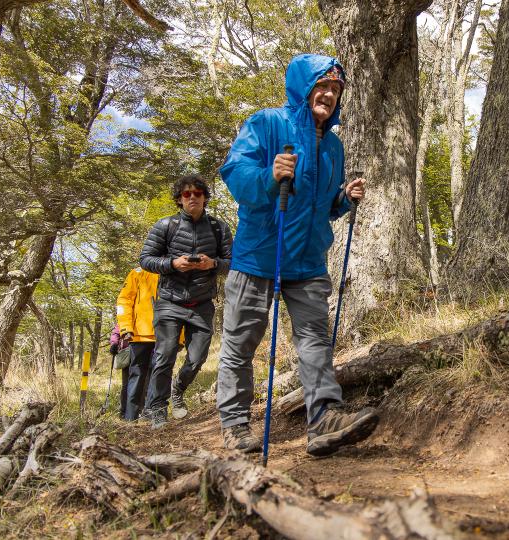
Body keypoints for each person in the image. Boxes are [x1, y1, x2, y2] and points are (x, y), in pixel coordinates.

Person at [217, 53, 377, 456]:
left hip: (307, 260)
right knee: (241, 342)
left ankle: (323, 418)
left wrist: (344, 198)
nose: (328, 95)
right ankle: (236, 425)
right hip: (258, 256)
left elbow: (321, 206)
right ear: (303, 89)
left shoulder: (334, 146)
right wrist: (269, 176)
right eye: (321, 87)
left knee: (315, 342)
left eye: (335, 90)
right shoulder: (266, 124)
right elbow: (237, 177)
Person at [139, 174, 233, 428]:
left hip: (202, 304)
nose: (192, 198)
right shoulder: (164, 226)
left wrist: (212, 263)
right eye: (187, 194)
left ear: (205, 197)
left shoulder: (218, 228)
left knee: (197, 358)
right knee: (165, 354)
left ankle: (177, 390)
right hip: (170, 301)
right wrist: (172, 263)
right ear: (179, 199)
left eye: (198, 193)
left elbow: (233, 263)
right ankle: (156, 409)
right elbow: (146, 259)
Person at [112, 267, 183, 421]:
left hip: (166, 334)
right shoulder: (137, 273)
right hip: (139, 334)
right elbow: (124, 300)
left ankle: (152, 415)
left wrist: (180, 337)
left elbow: (182, 305)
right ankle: (130, 418)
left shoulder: (176, 271)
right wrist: (125, 328)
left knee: (159, 374)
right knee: (136, 376)